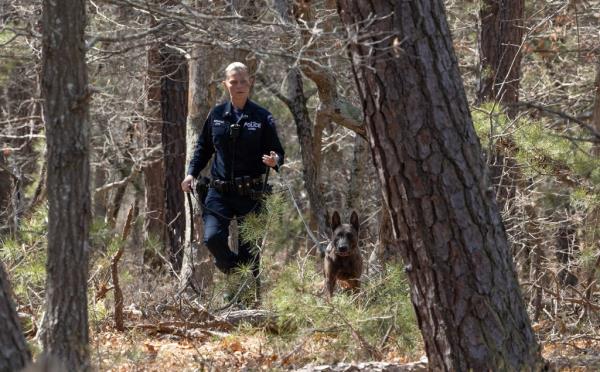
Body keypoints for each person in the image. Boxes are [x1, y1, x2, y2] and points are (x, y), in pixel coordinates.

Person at [181, 62, 284, 296]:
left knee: (250, 251)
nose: (239, 86)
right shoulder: (216, 115)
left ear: (250, 83)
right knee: (212, 238)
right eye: (234, 81)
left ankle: (247, 301)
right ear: (225, 84)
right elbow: (203, 148)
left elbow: (278, 152)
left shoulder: (262, 116)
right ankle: (236, 274)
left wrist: (274, 160)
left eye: (243, 81)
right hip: (219, 192)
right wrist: (191, 174)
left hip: (251, 193)